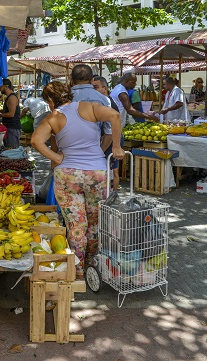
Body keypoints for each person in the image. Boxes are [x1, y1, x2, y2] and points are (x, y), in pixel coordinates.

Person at [31, 81, 124, 272]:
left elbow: (35, 140)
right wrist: (116, 146)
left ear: (50, 100)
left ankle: (78, 269)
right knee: (95, 223)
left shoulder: (53, 117)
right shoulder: (89, 107)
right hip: (96, 173)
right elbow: (115, 115)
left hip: (68, 175)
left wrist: (56, 157)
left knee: (76, 224)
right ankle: (93, 264)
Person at [92, 75, 122, 191]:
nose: (93, 90)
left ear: (105, 88)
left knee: (112, 170)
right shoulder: (102, 102)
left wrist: (100, 151)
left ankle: (111, 195)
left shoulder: (108, 103)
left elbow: (110, 132)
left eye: (96, 87)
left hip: (112, 140)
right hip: (109, 139)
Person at [0, 78, 21, 148]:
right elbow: (8, 111)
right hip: (9, 127)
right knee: (9, 149)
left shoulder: (12, 98)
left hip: (12, 128)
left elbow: (11, 114)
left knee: (12, 151)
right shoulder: (9, 97)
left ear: (6, 86)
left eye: (0, 87)